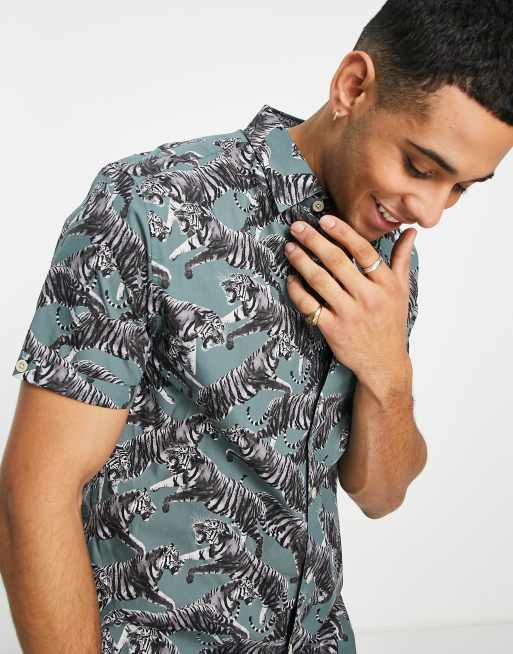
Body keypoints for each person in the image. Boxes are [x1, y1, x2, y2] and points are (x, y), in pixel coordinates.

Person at [1, 1, 512, 652]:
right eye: (421, 167)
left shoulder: (384, 261)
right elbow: (34, 494)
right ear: (352, 87)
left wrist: (387, 369)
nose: (432, 212)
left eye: (462, 187)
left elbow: (379, 494)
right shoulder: (149, 208)